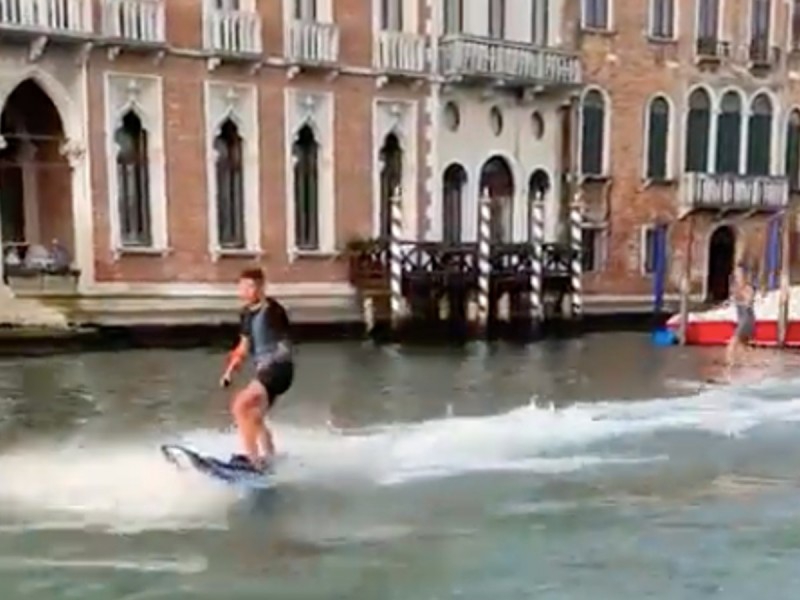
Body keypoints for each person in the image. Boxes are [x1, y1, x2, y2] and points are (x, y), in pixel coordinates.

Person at [220, 268, 294, 470]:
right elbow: (243, 348)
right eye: (242, 286)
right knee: (254, 416)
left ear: (260, 287)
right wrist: (229, 372)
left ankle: (252, 461)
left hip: (279, 369)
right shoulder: (246, 314)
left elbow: (284, 341)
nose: (244, 291)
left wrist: (277, 357)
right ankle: (270, 459)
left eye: (249, 286)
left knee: (240, 404)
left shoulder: (273, 310)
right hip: (265, 371)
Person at [725, 263, 756, 367]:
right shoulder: (735, 288)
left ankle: (728, 365)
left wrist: (742, 296)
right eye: (736, 274)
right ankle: (749, 365)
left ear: (744, 276)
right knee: (744, 346)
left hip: (747, 320)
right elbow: (732, 300)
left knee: (732, 343)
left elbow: (749, 302)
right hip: (741, 318)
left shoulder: (748, 288)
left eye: (740, 274)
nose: (738, 277)